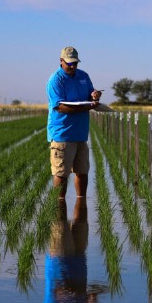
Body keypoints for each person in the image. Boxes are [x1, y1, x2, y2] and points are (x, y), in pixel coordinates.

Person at [46, 46, 102, 198]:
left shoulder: (83, 76)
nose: (72, 66)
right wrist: (85, 107)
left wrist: (94, 97)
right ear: (61, 61)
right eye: (69, 63)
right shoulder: (55, 80)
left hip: (81, 133)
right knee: (61, 173)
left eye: (75, 63)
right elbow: (60, 107)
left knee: (82, 171)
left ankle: (81, 205)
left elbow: (90, 97)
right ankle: (58, 207)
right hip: (62, 134)